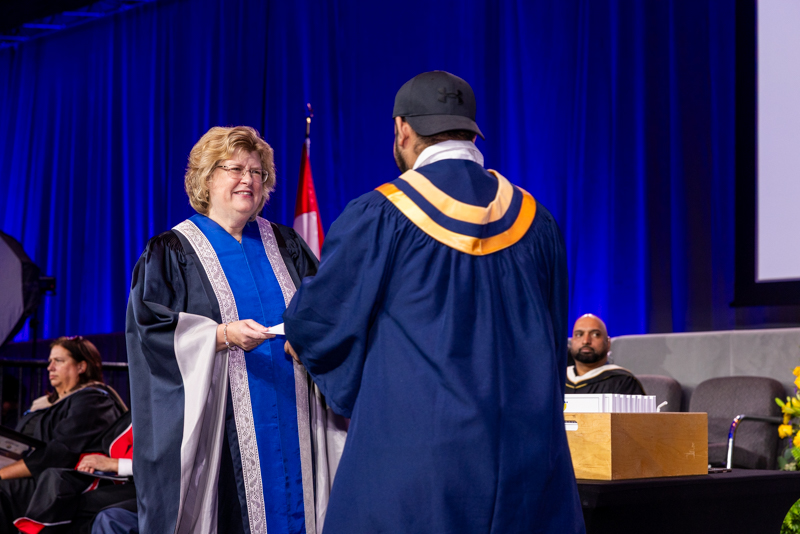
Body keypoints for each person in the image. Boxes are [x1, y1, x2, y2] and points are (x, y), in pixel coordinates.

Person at [283, 71, 585, 533]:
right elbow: (553, 335)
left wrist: (303, 340)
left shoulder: (381, 213)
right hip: (528, 458)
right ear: (471, 132)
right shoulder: (536, 220)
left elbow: (320, 321)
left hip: (419, 461)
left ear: (402, 129)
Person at [127, 126, 339, 534]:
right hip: (222, 429)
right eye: (235, 169)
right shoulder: (173, 251)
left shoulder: (286, 244)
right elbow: (149, 331)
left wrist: (309, 338)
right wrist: (222, 336)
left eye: (257, 172)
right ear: (207, 178)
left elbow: (325, 307)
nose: (248, 180)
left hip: (296, 411)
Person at [0, 336, 126, 531]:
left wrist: (2, 473)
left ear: (81, 366)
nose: (50, 367)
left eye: (58, 361)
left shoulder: (94, 400)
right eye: (50, 361)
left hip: (56, 483)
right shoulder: (42, 404)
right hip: (28, 472)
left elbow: (60, 453)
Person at [13, 411, 135, 534]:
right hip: (111, 478)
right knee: (55, 477)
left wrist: (115, 464)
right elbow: (102, 447)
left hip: (138, 488)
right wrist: (91, 462)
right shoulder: (133, 415)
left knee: (73, 506)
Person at [566, 314, 646, 395]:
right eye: (579, 335)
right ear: (572, 341)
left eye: (595, 334)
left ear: (608, 343)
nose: (586, 341)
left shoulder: (623, 382)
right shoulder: (560, 379)